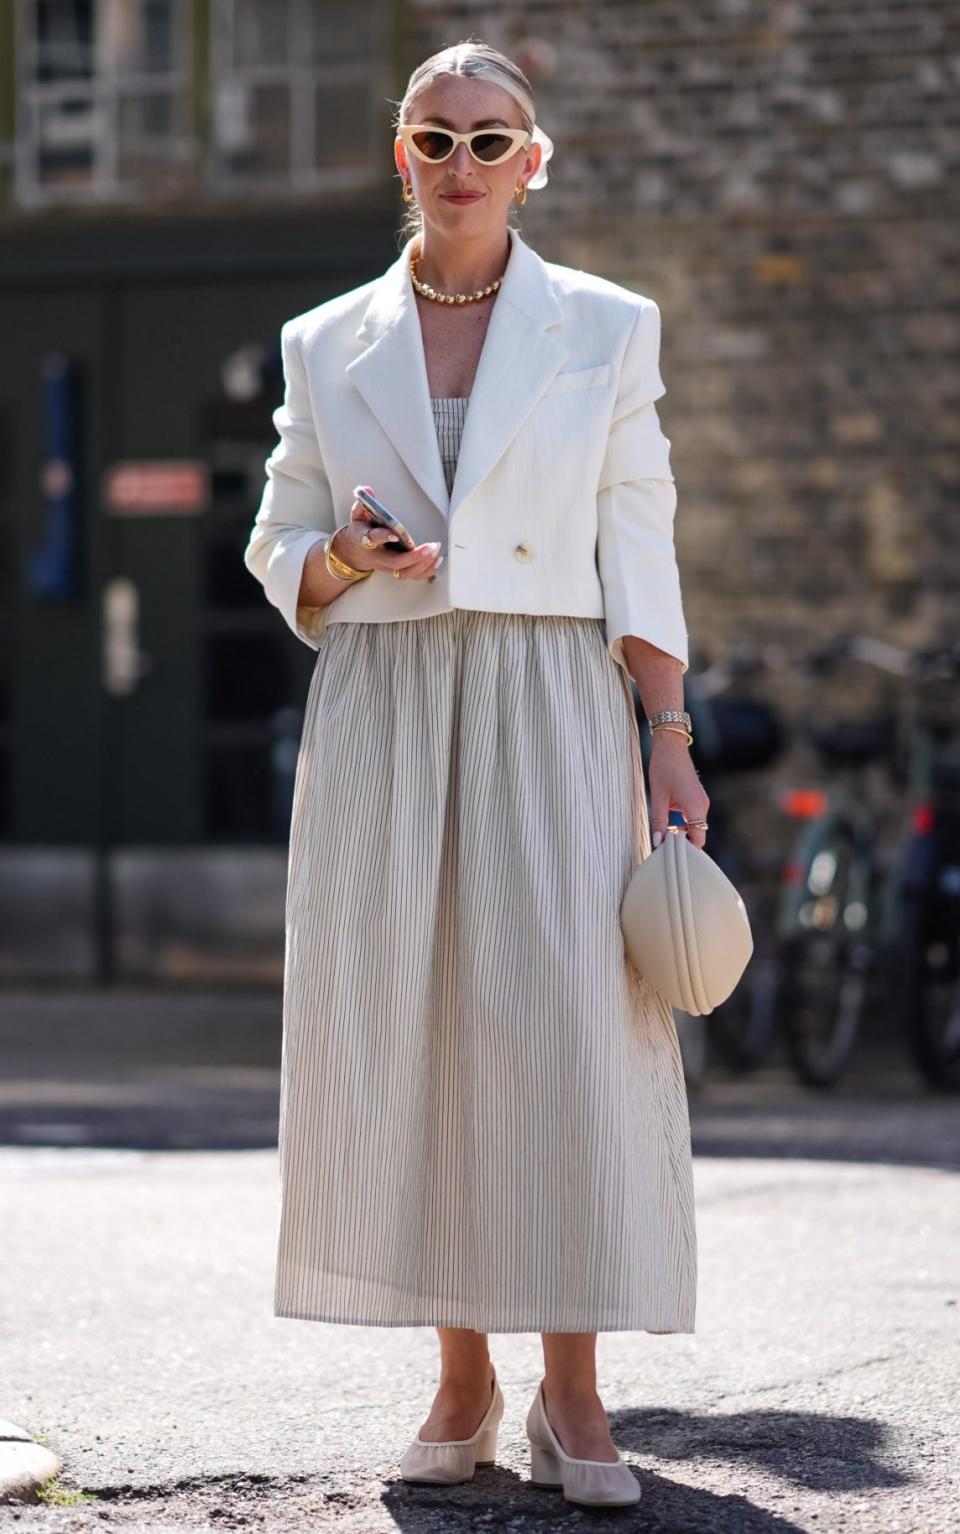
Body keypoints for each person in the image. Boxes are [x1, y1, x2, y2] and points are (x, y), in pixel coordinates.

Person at [243, 37, 709, 1511]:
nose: (461, 163)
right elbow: (278, 542)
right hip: (387, 696)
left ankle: (575, 1391)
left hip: (550, 695)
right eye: (435, 138)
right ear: (401, 155)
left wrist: (671, 742)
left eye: (489, 139)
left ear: (535, 159)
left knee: (564, 1026)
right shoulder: (327, 341)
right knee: (414, 1024)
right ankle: (462, 1375)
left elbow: (640, 536)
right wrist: (340, 557)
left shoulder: (607, 326)